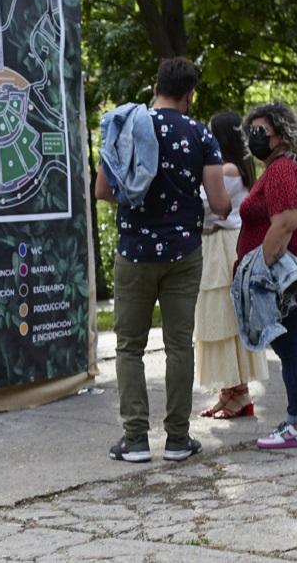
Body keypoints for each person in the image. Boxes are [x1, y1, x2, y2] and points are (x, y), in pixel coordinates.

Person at [95, 57, 230, 463]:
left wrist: (139, 201)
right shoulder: (201, 135)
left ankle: (135, 440)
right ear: (191, 94)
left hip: (134, 252)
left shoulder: (128, 126)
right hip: (183, 252)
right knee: (178, 346)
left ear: (156, 86)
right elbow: (221, 204)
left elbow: (102, 190)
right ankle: (177, 440)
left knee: (130, 347)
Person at [234, 102, 297, 449]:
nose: (254, 138)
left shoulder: (282, 171)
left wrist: (263, 268)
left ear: (280, 134)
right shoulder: (291, 167)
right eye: (251, 132)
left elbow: (286, 220)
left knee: (292, 351)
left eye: (260, 132)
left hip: (288, 273)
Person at [195, 111, 267, 419]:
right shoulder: (242, 167)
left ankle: (239, 393)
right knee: (222, 318)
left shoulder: (227, 169)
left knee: (224, 318)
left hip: (223, 246)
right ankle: (230, 391)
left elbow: (206, 206)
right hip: (221, 244)